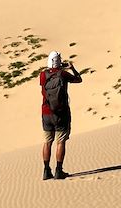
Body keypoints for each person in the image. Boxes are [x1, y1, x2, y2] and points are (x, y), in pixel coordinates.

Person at [40, 51, 83, 180]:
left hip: (46, 113)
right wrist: (71, 68)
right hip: (61, 114)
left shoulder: (43, 75)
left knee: (47, 142)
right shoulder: (63, 74)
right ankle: (59, 170)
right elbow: (79, 79)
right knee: (60, 142)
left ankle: (46, 171)